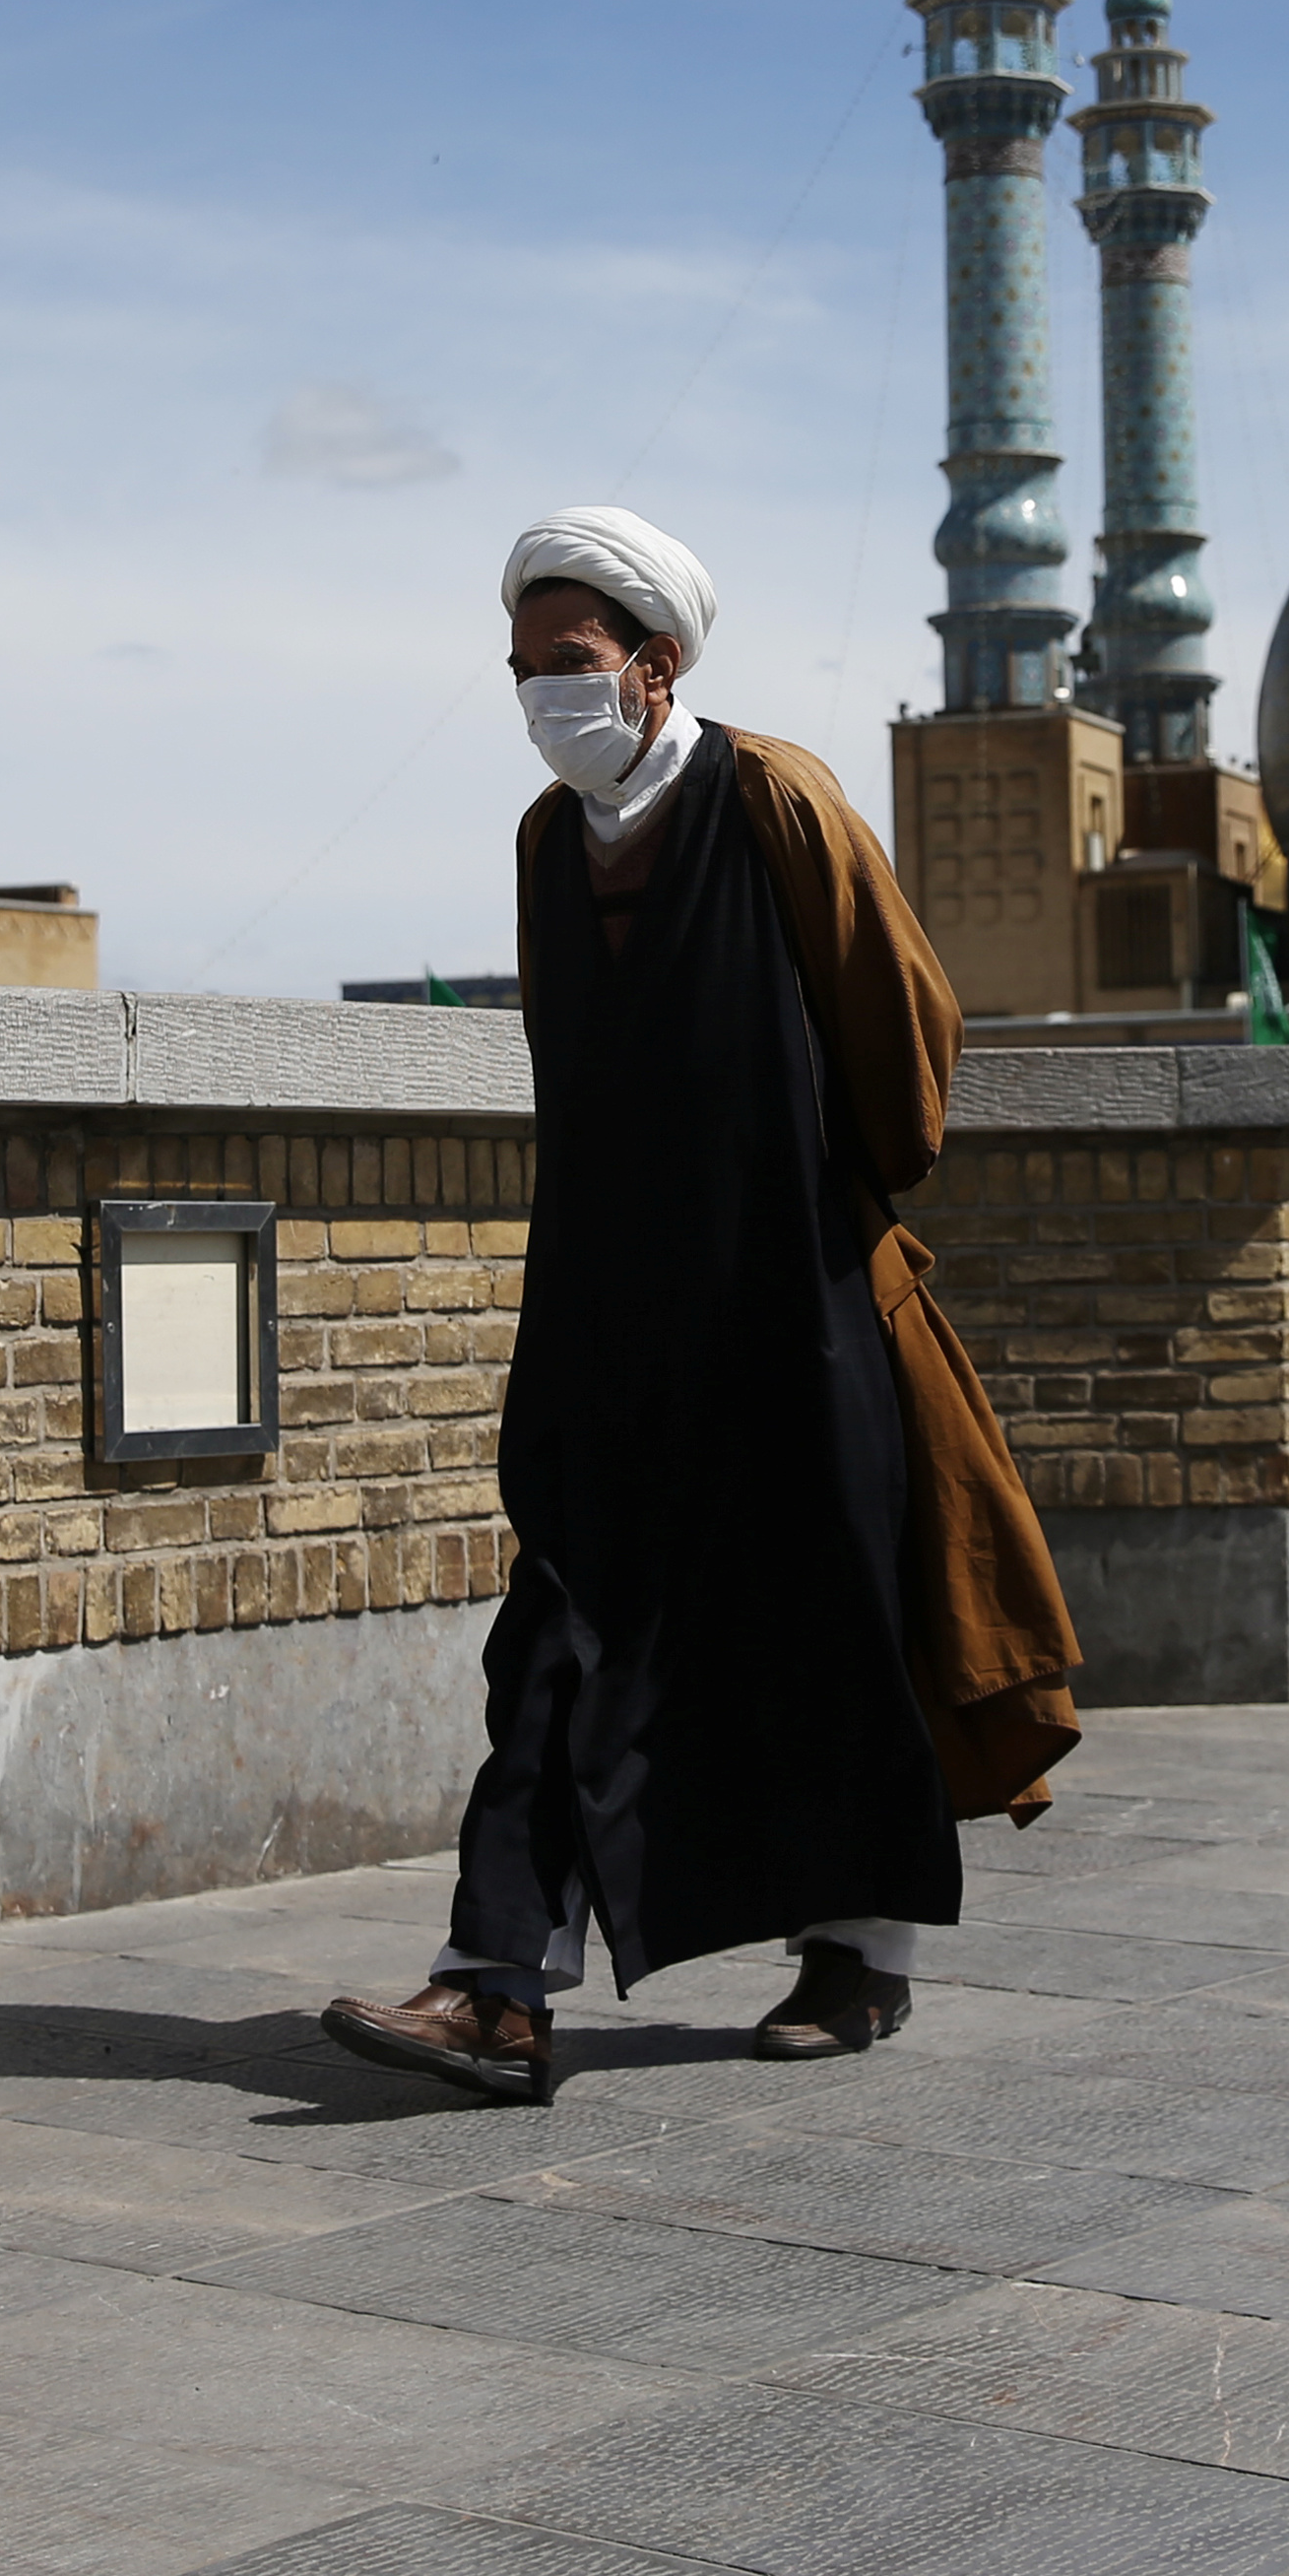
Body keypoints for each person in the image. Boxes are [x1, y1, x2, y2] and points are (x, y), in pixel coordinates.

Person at [323, 506, 1083, 2106]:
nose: (547, 696)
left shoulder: (778, 798)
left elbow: (903, 1033)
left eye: (574, 666)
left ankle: (861, 1956)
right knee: (561, 1629)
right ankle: (498, 1984)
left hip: (798, 1297)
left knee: (828, 1627)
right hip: (615, 1309)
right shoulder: (550, 841)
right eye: (526, 669)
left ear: (657, 670)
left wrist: (816, 1214)